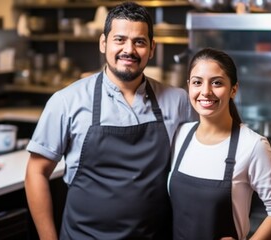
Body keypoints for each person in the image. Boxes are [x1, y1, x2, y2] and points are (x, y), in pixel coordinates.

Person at [24, 2, 196, 240]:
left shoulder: (178, 102)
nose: (129, 50)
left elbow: (193, 173)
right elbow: (36, 172)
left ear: (152, 48)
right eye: (120, 40)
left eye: (139, 42)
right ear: (103, 43)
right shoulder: (66, 101)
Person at [168, 48, 271, 240]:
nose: (206, 92)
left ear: (233, 89)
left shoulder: (253, 145)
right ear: (189, 86)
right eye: (197, 82)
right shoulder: (180, 134)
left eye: (217, 83)